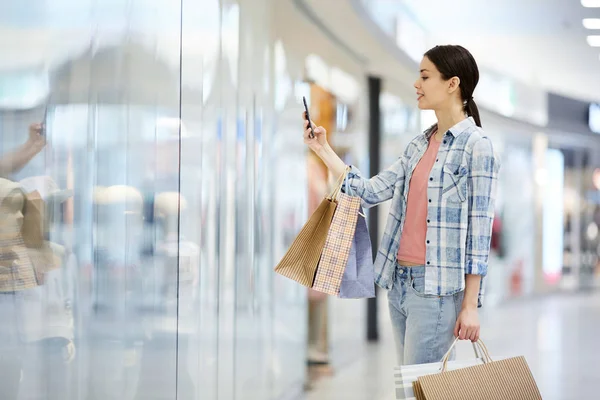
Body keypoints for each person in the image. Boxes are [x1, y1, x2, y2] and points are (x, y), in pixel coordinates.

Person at [302, 45, 500, 365]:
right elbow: (368, 191)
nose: (416, 84)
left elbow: (479, 234)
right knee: (412, 389)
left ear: (452, 84)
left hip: (435, 291)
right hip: (398, 285)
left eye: (424, 76)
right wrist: (323, 149)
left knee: (418, 389)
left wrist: (470, 306)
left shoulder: (477, 147)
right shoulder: (419, 144)